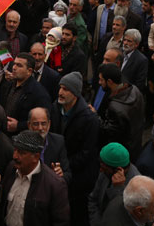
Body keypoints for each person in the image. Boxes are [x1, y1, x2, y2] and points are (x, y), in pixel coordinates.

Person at [49, 71, 99, 225]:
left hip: (78, 179)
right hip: (57, 169)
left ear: (76, 93)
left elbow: (87, 153)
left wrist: (65, 166)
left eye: (66, 89)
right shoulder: (55, 108)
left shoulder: (89, 119)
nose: (60, 92)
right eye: (60, 88)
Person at [0, 130, 70, 226]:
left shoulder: (55, 185)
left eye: (21, 152)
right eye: (15, 150)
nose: (15, 156)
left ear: (36, 157)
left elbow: (61, 222)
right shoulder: (11, 169)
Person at [96, 62, 144, 159]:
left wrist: (94, 116)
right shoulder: (135, 90)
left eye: (101, 80)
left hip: (121, 154)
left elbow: (108, 131)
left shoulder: (115, 108)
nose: (99, 82)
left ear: (109, 82)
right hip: (135, 145)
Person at [87, 142, 141, 226]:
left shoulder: (137, 186)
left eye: (104, 168)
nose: (101, 170)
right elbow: (93, 199)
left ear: (118, 170)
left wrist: (119, 189)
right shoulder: (106, 172)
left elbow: (125, 217)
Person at [0, 53, 51, 136]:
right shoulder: (9, 84)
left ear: (29, 71)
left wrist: (18, 126)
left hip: (21, 138)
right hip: (2, 133)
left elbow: (43, 121)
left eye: (19, 65)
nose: (14, 68)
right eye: (14, 64)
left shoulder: (39, 94)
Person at [27, 107, 71, 183]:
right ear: (29, 125)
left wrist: (61, 174)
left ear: (49, 124)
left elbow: (68, 175)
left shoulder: (58, 142)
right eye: (36, 124)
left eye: (43, 124)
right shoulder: (21, 143)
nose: (40, 128)